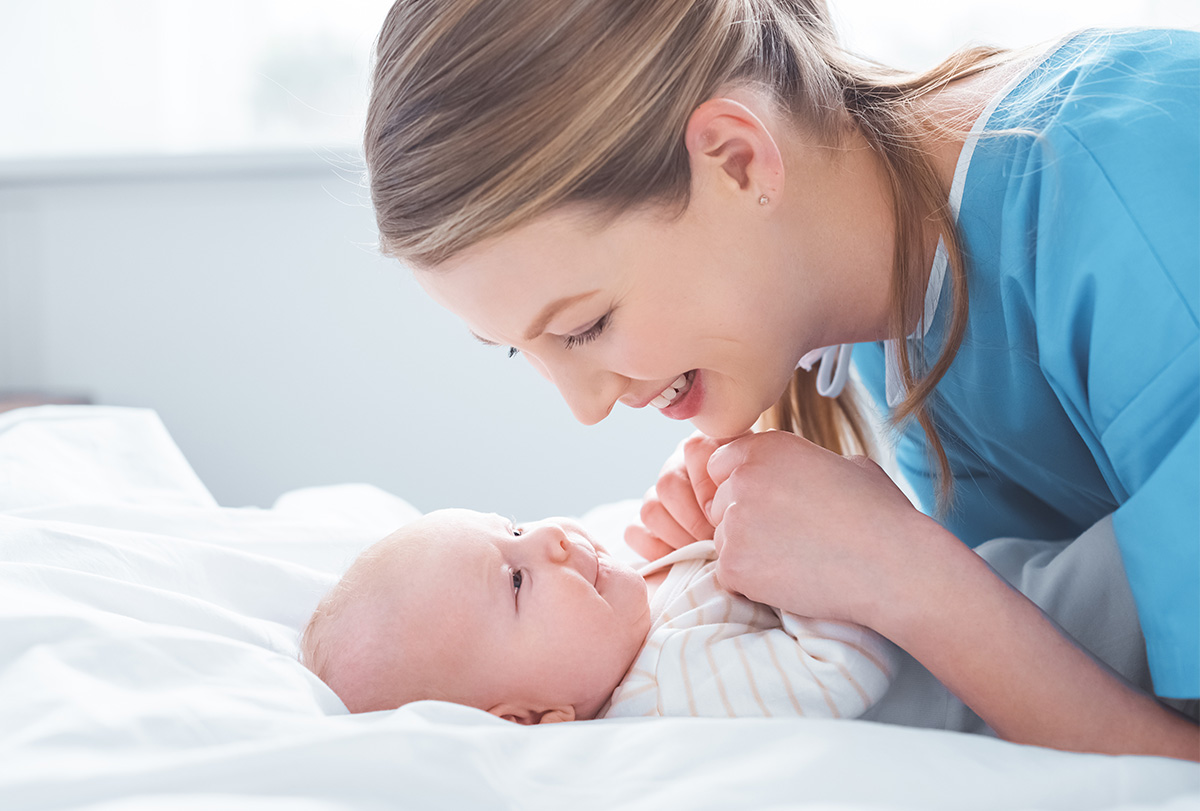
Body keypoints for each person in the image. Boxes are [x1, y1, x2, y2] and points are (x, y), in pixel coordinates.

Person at [361, 0, 1198, 758]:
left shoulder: (1137, 194)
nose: (586, 407)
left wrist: (905, 573)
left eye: (586, 325)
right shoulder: (884, 322)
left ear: (736, 161)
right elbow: (1064, 647)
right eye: (522, 349)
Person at [299, 509, 895, 722]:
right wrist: (793, 551)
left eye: (514, 527)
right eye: (515, 580)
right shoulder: (671, 688)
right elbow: (847, 669)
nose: (550, 537)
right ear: (525, 721)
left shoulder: (623, 629)